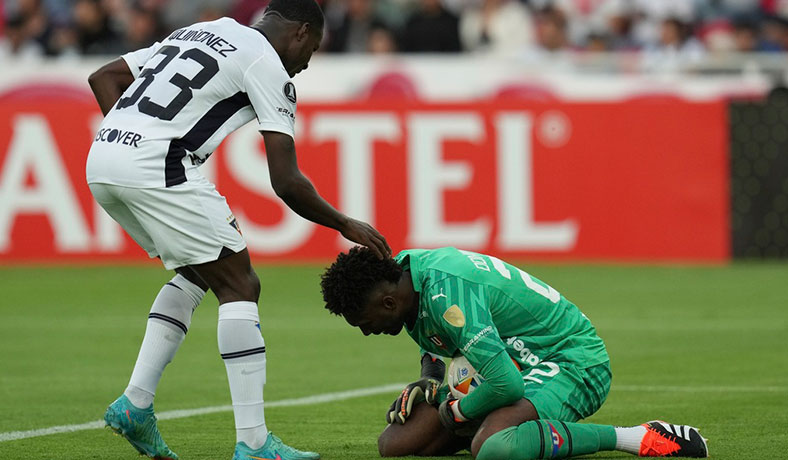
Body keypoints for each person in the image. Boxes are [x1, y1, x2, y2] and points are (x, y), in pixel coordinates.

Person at [85, 1, 391, 459]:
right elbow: (287, 182)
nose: (307, 64)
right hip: (157, 165)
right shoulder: (267, 64)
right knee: (240, 284)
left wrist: (133, 132)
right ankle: (253, 443)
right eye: (313, 50)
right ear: (303, 33)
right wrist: (345, 223)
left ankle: (136, 404)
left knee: (197, 273)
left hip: (103, 159)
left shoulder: (201, 30)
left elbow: (104, 77)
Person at [320, 247, 709, 459]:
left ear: (387, 302)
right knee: (395, 445)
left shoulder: (447, 291)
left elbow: (506, 385)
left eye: (363, 322)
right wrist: (430, 380)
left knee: (494, 449)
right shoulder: (404, 277)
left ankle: (637, 437)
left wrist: (455, 411)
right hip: (507, 367)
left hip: (572, 362)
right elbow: (435, 345)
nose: (367, 331)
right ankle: (486, 429)